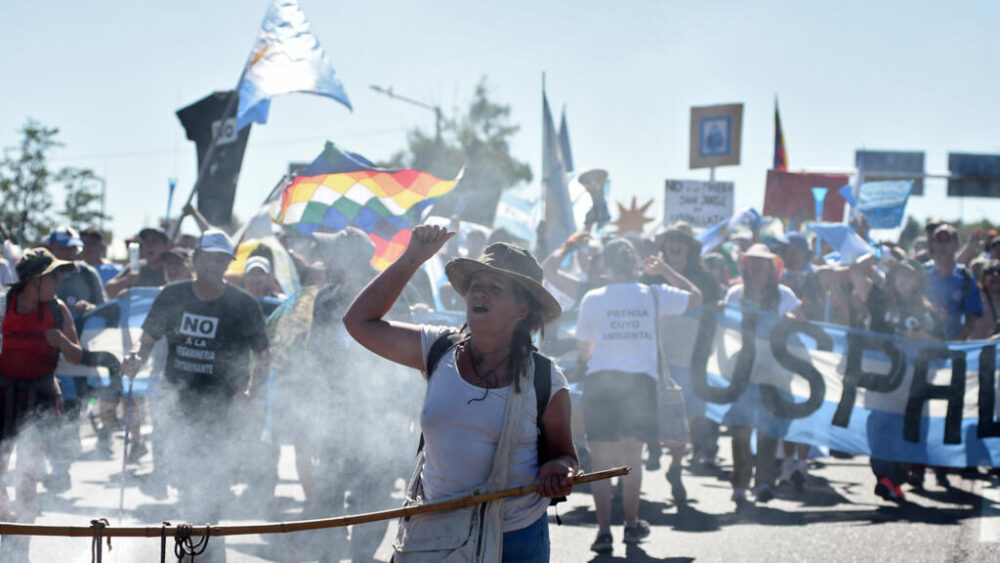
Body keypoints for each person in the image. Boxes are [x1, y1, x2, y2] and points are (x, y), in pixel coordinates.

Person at [344, 225, 576, 562]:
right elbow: (359, 322)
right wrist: (411, 259)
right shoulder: (436, 348)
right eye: (476, 287)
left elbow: (564, 455)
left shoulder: (546, 379)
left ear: (522, 309)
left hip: (514, 539)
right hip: (434, 534)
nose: (479, 294)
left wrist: (560, 470)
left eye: (494, 288)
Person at [122, 229, 269, 563]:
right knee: (188, 484)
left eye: (222, 259)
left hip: (223, 408)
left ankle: (205, 551)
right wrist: (134, 359)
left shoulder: (242, 304)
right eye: (209, 257)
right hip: (178, 404)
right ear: (195, 259)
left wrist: (251, 392)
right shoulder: (172, 296)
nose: (214, 265)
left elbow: (264, 356)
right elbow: (146, 340)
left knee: (214, 482)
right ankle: (198, 550)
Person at [575, 237, 701, 552]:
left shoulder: (592, 298)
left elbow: (584, 351)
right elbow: (696, 296)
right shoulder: (653, 294)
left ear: (605, 265)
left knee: (601, 461)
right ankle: (631, 527)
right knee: (633, 458)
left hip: (601, 381)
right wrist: (665, 270)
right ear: (635, 264)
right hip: (639, 385)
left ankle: (603, 531)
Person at [0, 248, 81, 559]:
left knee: (27, 476)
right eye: (54, 276)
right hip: (3, 396)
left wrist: (60, 341)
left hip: (41, 399)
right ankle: (6, 528)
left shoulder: (58, 310)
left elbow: (77, 355)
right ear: (35, 280)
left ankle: (21, 546)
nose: (59, 281)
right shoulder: (2, 305)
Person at [849, 257, 943, 501]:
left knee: (908, 439)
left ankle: (894, 479)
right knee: (879, 429)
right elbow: (855, 272)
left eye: (910, 275)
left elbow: (944, 348)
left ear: (919, 283)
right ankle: (885, 478)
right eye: (900, 274)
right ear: (891, 278)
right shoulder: (879, 301)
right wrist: (875, 259)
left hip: (914, 386)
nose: (904, 279)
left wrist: (924, 337)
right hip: (884, 383)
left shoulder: (927, 312)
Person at [723, 243, 803, 508]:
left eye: (762, 263)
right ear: (745, 266)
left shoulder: (784, 295)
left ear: (772, 268)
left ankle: (765, 482)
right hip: (744, 373)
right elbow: (723, 327)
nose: (757, 268)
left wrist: (789, 319)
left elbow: (799, 320)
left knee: (768, 431)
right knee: (740, 431)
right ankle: (740, 484)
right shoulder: (735, 294)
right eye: (752, 263)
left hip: (774, 373)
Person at [644, 221, 721, 474]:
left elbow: (713, 312)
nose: (675, 243)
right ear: (663, 246)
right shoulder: (647, 276)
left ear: (689, 248)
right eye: (669, 238)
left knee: (687, 413)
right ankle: (654, 448)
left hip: (693, 357)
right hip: (656, 355)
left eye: (680, 239)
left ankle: (680, 462)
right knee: (649, 407)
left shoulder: (706, 280)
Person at [925, 224, 982, 340]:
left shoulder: (965, 278)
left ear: (956, 245)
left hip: (951, 347)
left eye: (947, 241)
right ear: (933, 244)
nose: (942, 246)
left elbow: (971, 320)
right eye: (938, 241)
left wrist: (954, 345)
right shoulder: (922, 273)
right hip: (921, 346)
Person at [105, 228, 169, 298]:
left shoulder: (172, 268)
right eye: (145, 242)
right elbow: (108, 290)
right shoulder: (135, 267)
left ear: (166, 246)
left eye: (154, 242)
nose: (148, 246)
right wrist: (126, 281)